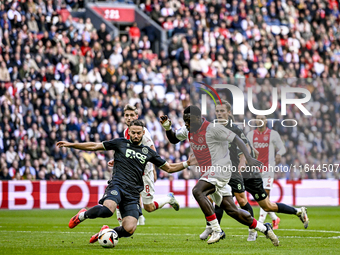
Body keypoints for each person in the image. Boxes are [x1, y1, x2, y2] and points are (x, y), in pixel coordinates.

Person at [160, 105, 279, 246]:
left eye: (189, 120)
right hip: (209, 172)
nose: (187, 123)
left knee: (197, 191)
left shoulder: (213, 129)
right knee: (232, 210)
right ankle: (265, 228)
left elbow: (237, 139)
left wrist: (249, 158)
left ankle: (216, 230)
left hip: (221, 168)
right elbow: (173, 139)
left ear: (199, 118)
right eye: (185, 120)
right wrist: (168, 128)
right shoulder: (188, 129)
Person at [56, 120, 192, 241]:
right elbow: (94, 146)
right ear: (129, 132)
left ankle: (105, 233)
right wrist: (71, 145)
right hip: (118, 185)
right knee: (107, 210)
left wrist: (187, 163)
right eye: (133, 133)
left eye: (139, 133)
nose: (136, 136)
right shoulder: (120, 143)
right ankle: (82, 215)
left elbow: (169, 168)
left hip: (133, 194)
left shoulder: (148, 152)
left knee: (129, 229)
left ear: (143, 132)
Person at [113, 104, 180, 227]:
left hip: (145, 172)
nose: (129, 118)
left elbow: (152, 151)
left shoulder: (144, 133)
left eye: (132, 115)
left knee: (149, 207)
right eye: (126, 115)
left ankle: (168, 198)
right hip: (132, 171)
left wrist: (153, 169)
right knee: (123, 194)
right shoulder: (125, 132)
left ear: (137, 116)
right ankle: (127, 223)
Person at [246, 115, 309, 231]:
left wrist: (279, 153)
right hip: (255, 171)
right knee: (264, 201)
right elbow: (246, 150)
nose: (259, 120)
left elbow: (282, 148)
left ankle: (259, 224)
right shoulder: (250, 135)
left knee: (265, 195)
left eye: (262, 118)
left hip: (268, 170)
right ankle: (277, 217)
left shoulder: (272, 134)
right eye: (257, 118)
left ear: (266, 121)